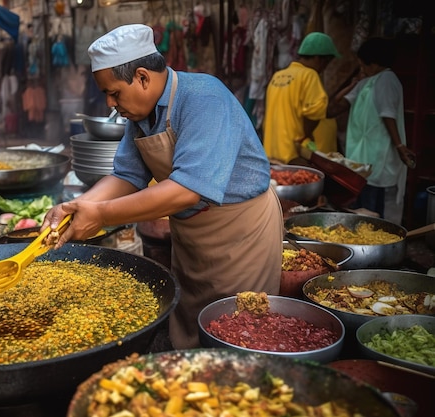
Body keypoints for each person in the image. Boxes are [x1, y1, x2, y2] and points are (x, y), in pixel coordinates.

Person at [41, 24, 283, 350]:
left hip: (241, 235)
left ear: (142, 77)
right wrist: (74, 210)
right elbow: (126, 175)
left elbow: (186, 190)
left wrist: (100, 215)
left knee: (238, 334)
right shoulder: (139, 115)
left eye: (115, 93)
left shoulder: (203, 98)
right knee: (189, 333)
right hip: (191, 237)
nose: (111, 104)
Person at [328, 37, 416, 225]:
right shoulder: (367, 82)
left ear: (375, 64)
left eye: (363, 65)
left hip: (377, 157)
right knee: (362, 210)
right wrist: (353, 83)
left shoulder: (386, 79)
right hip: (363, 159)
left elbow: (388, 115)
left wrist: (400, 146)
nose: (362, 70)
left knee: (372, 214)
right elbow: (334, 106)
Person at [263, 32, 341, 164]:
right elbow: (315, 112)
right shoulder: (309, 75)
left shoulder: (278, 76)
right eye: (327, 63)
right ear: (319, 59)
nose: (323, 69)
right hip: (294, 156)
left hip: (271, 154)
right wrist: (306, 137)